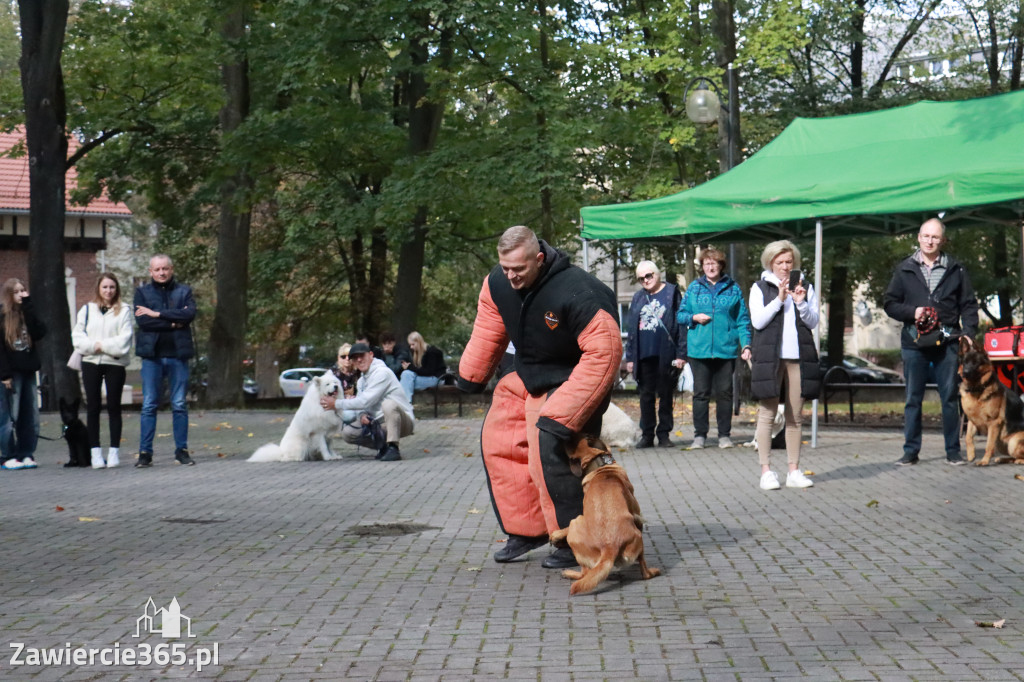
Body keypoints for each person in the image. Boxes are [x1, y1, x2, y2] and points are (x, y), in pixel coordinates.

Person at [457, 226, 622, 569]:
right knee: (498, 438)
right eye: (505, 268)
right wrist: (470, 375)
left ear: (540, 258)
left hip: (573, 375)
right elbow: (490, 324)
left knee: (548, 443)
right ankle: (526, 530)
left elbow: (605, 351)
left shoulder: (579, 291)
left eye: (519, 269)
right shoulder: (499, 282)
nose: (511, 276)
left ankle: (572, 539)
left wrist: (565, 412)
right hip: (529, 371)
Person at [883, 217, 978, 466]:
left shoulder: (956, 269)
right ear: (918, 237)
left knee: (949, 398)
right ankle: (910, 451)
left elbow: (968, 304)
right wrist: (912, 312)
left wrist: (969, 331)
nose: (930, 241)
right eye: (926, 236)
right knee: (913, 398)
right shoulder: (904, 268)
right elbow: (890, 303)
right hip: (914, 341)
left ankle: (952, 451)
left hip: (948, 341)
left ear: (942, 240)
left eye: (935, 237)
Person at [748, 240, 819, 491]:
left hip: (798, 357)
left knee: (795, 416)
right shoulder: (759, 288)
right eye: (780, 262)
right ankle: (766, 471)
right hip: (770, 358)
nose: (785, 266)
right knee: (767, 414)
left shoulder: (805, 287)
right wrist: (779, 299)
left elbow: (813, 322)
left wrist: (800, 302)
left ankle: (793, 470)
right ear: (770, 263)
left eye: (789, 262)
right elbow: (758, 321)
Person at [676, 248, 752, 450]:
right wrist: (694, 317)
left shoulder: (733, 288)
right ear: (702, 267)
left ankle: (724, 435)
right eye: (706, 263)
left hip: (726, 350)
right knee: (701, 394)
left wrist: (746, 344)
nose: (710, 267)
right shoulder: (694, 288)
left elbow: (742, 320)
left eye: (714, 263)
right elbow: (680, 315)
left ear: (721, 266)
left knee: (725, 393)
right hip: (698, 351)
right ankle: (699, 436)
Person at [134, 254, 197, 468]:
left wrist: (157, 314)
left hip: (178, 355)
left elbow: (189, 316)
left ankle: (182, 450)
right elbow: (143, 322)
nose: (161, 273)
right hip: (152, 356)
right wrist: (171, 322)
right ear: (150, 272)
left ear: (171, 269)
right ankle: (145, 453)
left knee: (179, 404)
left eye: (165, 269)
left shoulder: (184, 291)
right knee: (149, 404)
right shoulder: (142, 293)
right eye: (157, 269)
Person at [71, 273, 134, 468]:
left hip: (114, 363)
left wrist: (100, 345)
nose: (108, 291)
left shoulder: (124, 310)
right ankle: (95, 452)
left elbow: (124, 340)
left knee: (114, 407)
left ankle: (114, 451)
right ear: (98, 288)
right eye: (105, 287)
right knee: (93, 407)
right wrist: (93, 347)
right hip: (91, 362)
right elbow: (78, 337)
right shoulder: (87, 310)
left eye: (112, 287)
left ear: (117, 289)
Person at [623, 261, 687, 448]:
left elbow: (681, 324)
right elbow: (631, 330)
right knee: (646, 396)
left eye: (649, 276)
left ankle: (664, 434)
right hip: (644, 355)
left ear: (657, 274)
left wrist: (682, 354)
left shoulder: (672, 293)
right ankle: (647, 434)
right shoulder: (638, 297)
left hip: (666, 353)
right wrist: (630, 357)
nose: (645, 280)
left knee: (666, 395)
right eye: (641, 278)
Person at [320, 342, 415, 461]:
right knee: (348, 433)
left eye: (362, 356)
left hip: (402, 421)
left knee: (389, 404)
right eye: (355, 358)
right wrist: (362, 415)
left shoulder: (382, 373)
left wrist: (335, 404)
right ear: (353, 362)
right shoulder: (361, 381)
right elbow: (362, 406)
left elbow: (365, 401)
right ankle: (383, 447)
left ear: (371, 355)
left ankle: (393, 447)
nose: (359, 360)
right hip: (379, 423)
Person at [0, 279, 46, 470]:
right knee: (10, 415)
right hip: (11, 372)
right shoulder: (2, 316)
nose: (21, 295)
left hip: (28, 370)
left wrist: (29, 306)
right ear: (9, 295)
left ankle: (26, 452)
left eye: (23, 290)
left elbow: (40, 331)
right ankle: (8, 454)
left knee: (30, 414)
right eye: (17, 292)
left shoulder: (26, 314)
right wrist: (4, 374)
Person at [400, 331, 446, 401]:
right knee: (406, 376)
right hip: (429, 378)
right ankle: (406, 404)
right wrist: (410, 368)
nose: (411, 347)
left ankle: (405, 405)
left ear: (419, 342)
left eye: (413, 344)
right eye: (410, 345)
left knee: (406, 380)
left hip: (437, 379)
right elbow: (421, 370)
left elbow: (428, 372)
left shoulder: (431, 352)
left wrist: (410, 367)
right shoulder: (421, 353)